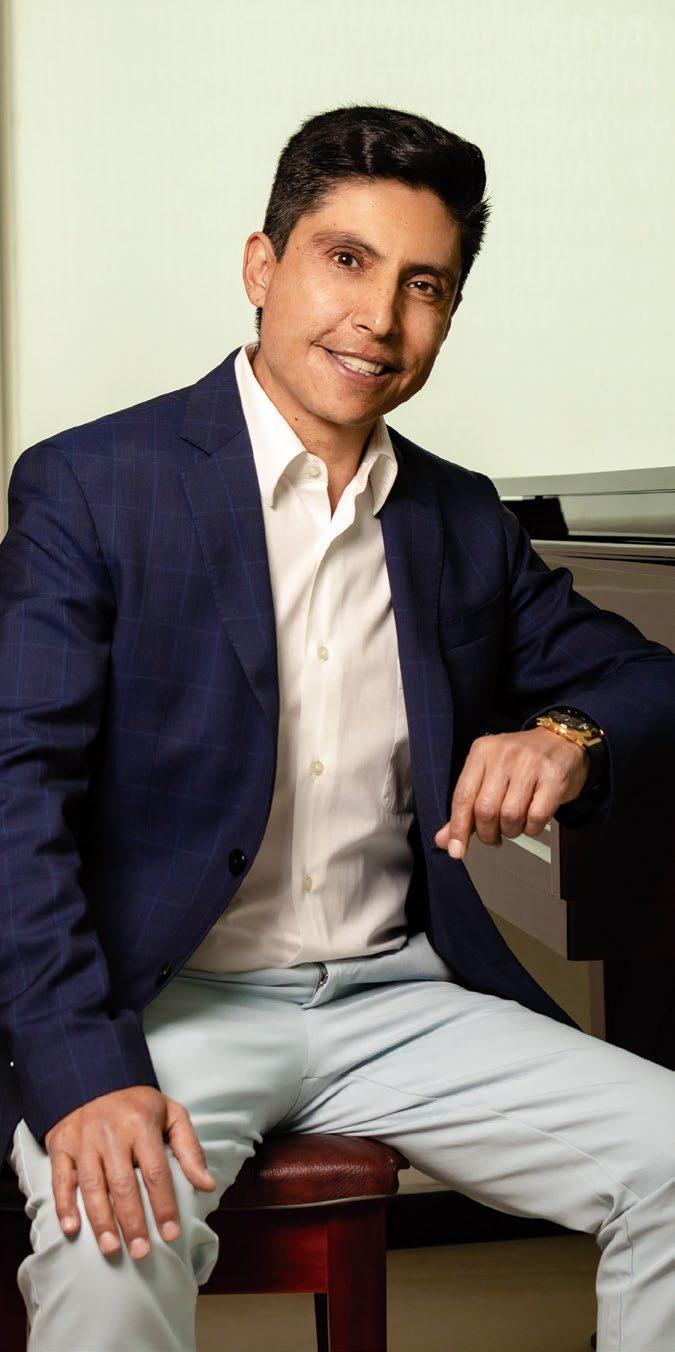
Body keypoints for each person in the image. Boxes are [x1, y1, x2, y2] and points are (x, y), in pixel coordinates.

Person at [1, 103, 674, 1352]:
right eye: (347, 259)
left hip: (401, 997)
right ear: (262, 265)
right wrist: (83, 1070)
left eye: (425, 285)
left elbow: (645, 678)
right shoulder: (92, 485)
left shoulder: (460, 519)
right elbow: (15, 792)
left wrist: (567, 735)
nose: (380, 317)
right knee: (110, 1243)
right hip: (169, 1000)